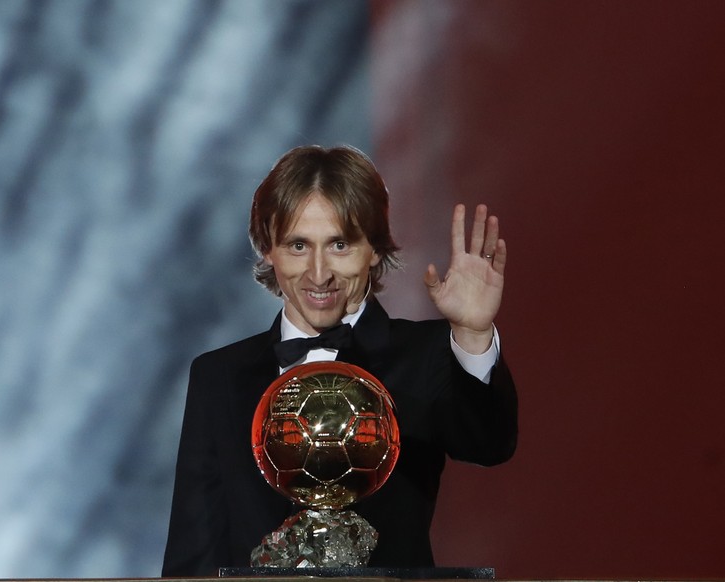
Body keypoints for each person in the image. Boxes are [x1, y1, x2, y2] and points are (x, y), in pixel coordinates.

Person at [161, 145, 518, 576]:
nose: (318, 274)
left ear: (375, 249)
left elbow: (488, 442)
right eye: (297, 245)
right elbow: (194, 551)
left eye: (339, 245)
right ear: (268, 250)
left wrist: (474, 334)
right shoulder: (219, 376)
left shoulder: (426, 354)